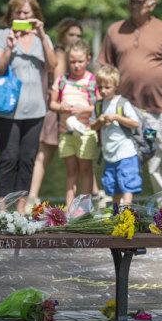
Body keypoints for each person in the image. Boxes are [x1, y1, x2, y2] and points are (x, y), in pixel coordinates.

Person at [98, 0, 162, 194]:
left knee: (161, 161)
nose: (133, 5)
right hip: (124, 111)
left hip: (159, 109)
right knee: (121, 160)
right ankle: (122, 212)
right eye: (131, 0)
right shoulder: (115, 30)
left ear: (151, 4)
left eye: (139, 1)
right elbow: (105, 70)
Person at [0, 0, 58, 215]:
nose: (23, 17)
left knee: (27, 160)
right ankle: (1, 210)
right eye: (18, 13)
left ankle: (20, 210)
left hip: (36, 109)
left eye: (27, 13)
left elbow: (52, 66)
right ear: (11, 15)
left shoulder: (42, 38)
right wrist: (9, 46)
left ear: (35, 14)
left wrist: (41, 34)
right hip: (6, 110)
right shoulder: (0, 35)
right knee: (8, 158)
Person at [24, 18, 75, 208]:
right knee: (44, 154)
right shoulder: (61, 53)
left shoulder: (73, 55)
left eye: (78, 35)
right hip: (57, 108)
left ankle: (94, 193)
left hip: (70, 109)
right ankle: (31, 196)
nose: (75, 38)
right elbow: (59, 80)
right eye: (71, 34)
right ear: (62, 35)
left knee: (81, 153)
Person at [49, 40, 98, 206]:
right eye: (72, 62)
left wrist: (84, 109)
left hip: (86, 133)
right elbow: (52, 104)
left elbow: (98, 108)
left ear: (88, 59)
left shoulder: (92, 81)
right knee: (71, 171)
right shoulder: (62, 80)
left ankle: (84, 207)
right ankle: (69, 208)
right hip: (66, 133)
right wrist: (61, 106)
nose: (76, 65)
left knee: (85, 170)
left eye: (80, 61)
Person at [90, 65, 142, 206]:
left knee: (127, 183)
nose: (103, 91)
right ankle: (115, 215)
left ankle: (127, 211)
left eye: (107, 87)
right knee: (112, 186)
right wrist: (99, 121)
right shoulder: (98, 105)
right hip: (109, 154)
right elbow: (92, 126)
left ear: (116, 86)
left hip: (126, 152)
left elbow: (135, 123)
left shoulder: (122, 103)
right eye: (100, 87)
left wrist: (117, 117)